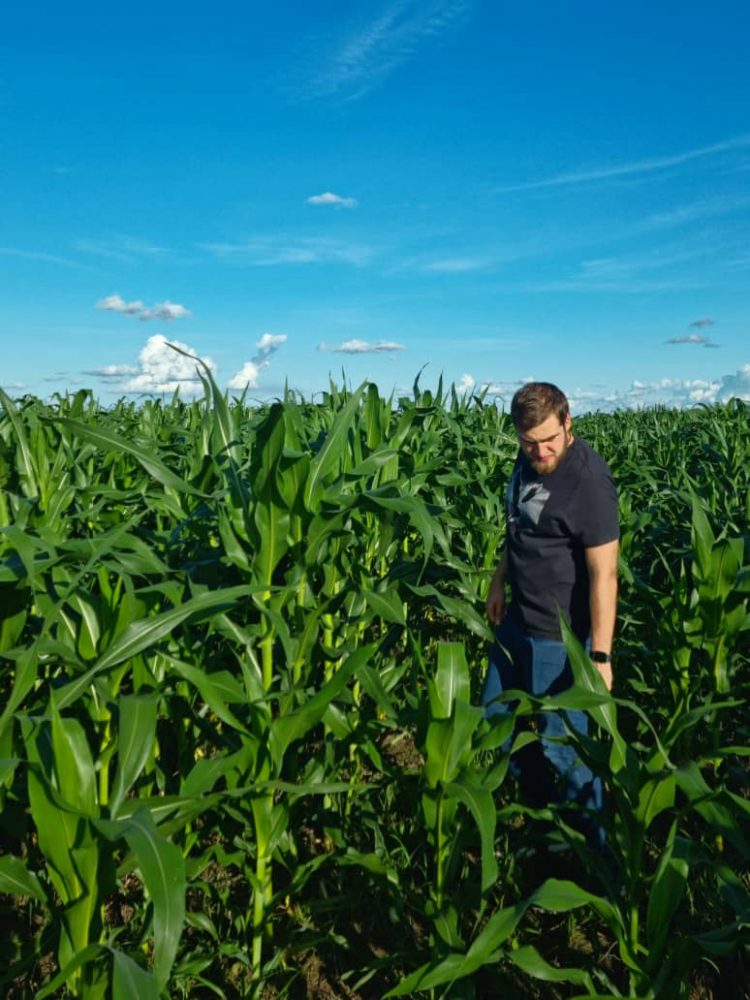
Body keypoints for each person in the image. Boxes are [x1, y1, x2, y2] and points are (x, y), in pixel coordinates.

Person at [482, 381, 619, 836]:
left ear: (567, 422)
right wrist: (499, 579)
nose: (540, 452)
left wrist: (600, 656)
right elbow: (519, 526)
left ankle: (595, 856)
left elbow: (605, 574)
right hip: (516, 624)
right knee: (496, 723)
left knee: (564, 749)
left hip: (558, 641)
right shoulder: (527, 460)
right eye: (529, 443)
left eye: (548, 440)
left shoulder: (589, 481)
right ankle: (542, 823)